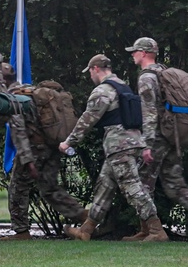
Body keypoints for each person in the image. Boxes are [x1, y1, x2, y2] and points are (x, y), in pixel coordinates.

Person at [58, 54, 167, 242]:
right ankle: (86, 230)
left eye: (90, 72)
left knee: (132, 188)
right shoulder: (122, 86)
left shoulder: (103, 90)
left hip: (119, 146)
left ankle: (156, 231)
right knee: (105, 186)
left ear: (95, 69)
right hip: (133, 141)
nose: (90, 76)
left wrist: (69, 142)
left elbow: (88, 119)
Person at [124, 37, 188, 241]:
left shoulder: (146, 78)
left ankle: (153, 230)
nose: (132, 55)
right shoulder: (162, 71)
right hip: (173, 134)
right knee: (173, 183)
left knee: (141, 182)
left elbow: (150, 113)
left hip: (159, 136)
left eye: (135, 51)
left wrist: (147, 145)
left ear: (143, 53)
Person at [0, 64, 88, 240]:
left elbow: (19, 131)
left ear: (1, 80)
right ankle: (86, 218)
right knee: (49, 189)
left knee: (18, 187)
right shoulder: (30, 91)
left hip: (34, 150)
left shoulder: (14, 98)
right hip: (52, 146)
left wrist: (27, 160)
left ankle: (21, 232)